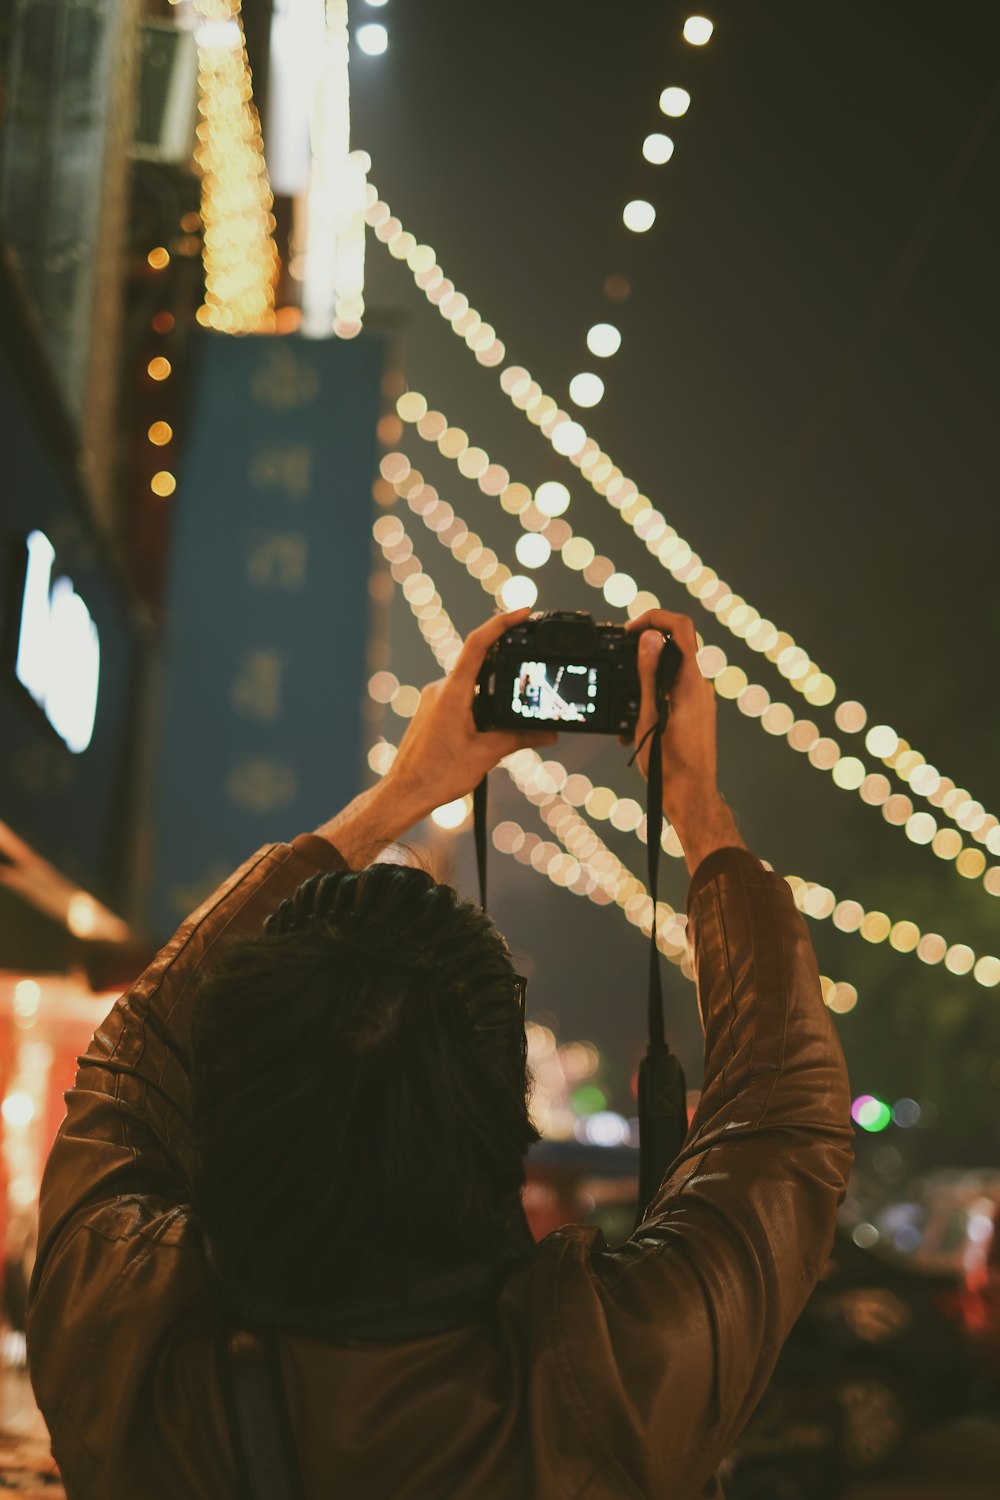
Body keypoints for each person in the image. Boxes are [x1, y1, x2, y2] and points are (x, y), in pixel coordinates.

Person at [25, 606, 852, 1499]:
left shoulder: (120, 1333)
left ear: (227, 1103)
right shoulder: (614, 1383)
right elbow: (788, 1111)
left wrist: (398, 795)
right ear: (502, 1116)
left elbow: (127, 1066)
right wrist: (695, 804)